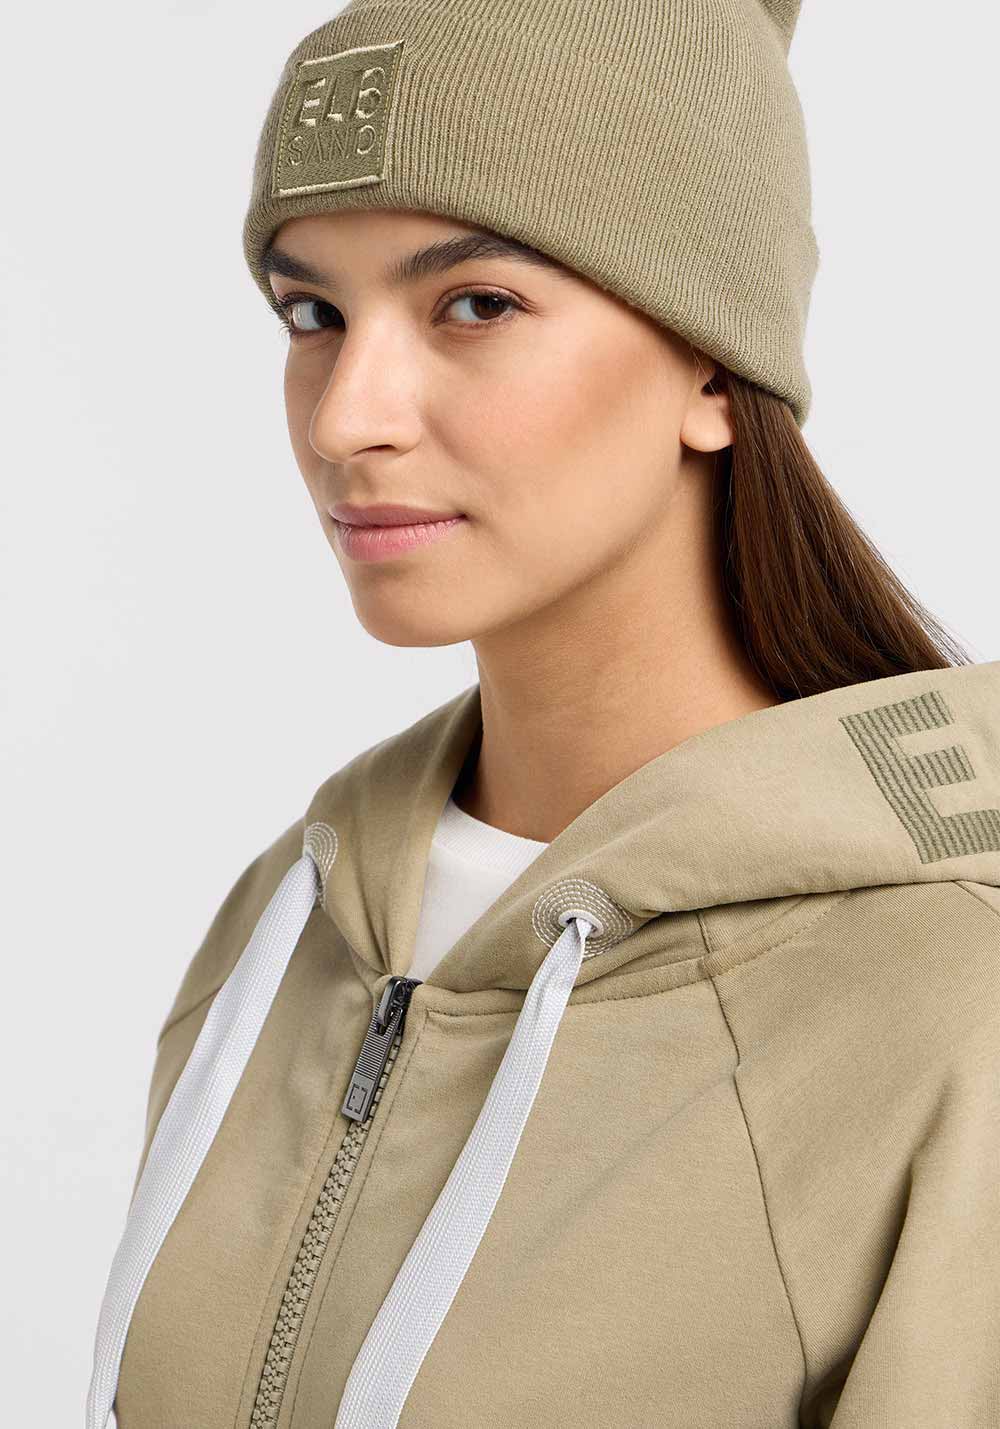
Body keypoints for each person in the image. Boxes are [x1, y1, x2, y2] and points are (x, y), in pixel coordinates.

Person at [87, 1, 1000, 1425]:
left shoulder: (946, 996)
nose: (344, 418)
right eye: (313, 314)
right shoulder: (286, 923)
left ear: (713, 364)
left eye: (476, 304)